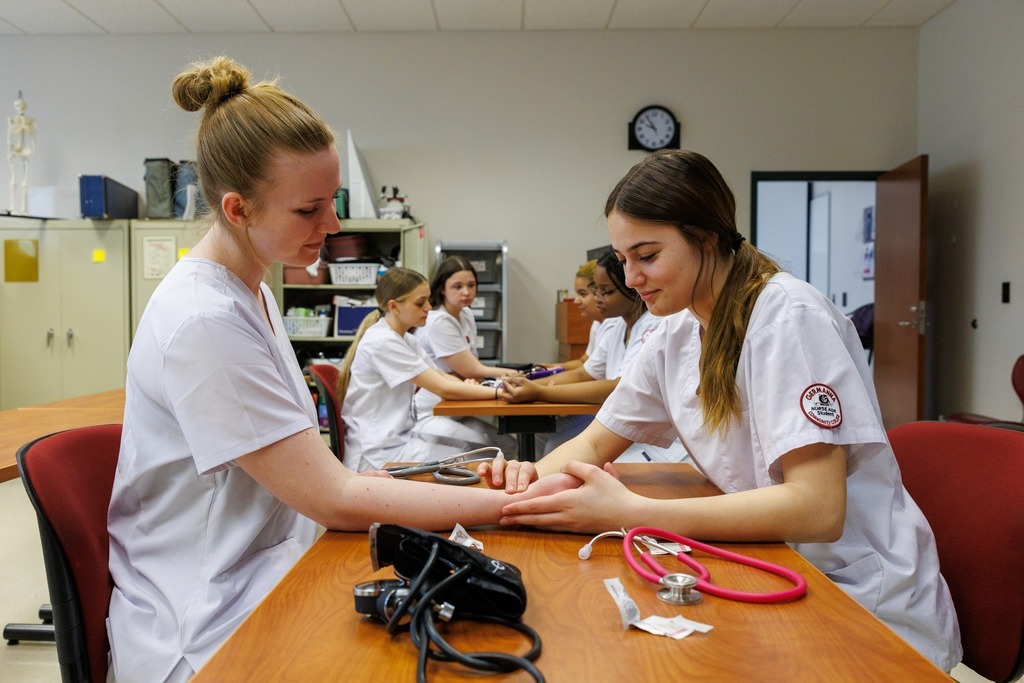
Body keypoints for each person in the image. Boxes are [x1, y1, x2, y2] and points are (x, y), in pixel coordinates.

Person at [105, 56, 574, 683]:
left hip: (270, 565)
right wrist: (503, 502)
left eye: (331, 203)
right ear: (238, 209)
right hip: (205, 620)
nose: (331, 226)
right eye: (309, 211)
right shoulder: (203, 320)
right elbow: (332, 496)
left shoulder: (253, 294)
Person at [484, 149, 962, 671]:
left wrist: (634, 515)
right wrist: (522, 485)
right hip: (769, 562)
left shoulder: (786, 319)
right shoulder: (676, 331)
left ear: (707, 237)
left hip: (856, 597)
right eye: (623, 260)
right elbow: (597, 441)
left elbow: (818, 509)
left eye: (647, 256)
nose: (632, 278)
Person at [340, 266, 515, 471]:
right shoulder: (382, 341)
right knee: (486, 460)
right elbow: (443, 388)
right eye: (420, 303)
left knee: (489, 452)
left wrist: (477, 388)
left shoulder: (405, 338)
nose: (429, 307)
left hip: (398, 440)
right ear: (394, 306)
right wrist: (500, 392)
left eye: (428, 300)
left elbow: (440, 376)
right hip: (377, 453)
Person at [500, 251, 663, 456]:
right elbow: (584, 373)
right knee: (546, 439)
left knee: (557, 448)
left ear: (630, 288)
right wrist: (528, 383)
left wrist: (540, 391)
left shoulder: (653, 325)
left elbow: (618, 386)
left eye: (606, 292)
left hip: (643, 429)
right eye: (596, 291)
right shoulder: (617, 325)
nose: (598, 299)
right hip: (619, 415)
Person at [411, 255, 517, 458]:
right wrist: (519, 375)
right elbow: (473, 370)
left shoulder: (465, 313)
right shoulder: (438, 321)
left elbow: (471, 371)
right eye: (457, 286)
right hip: (433, 410)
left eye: (471, 285)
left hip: (457, 406)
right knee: (488, 449)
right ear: (442, 288)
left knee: (508, 444)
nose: (466, 292)